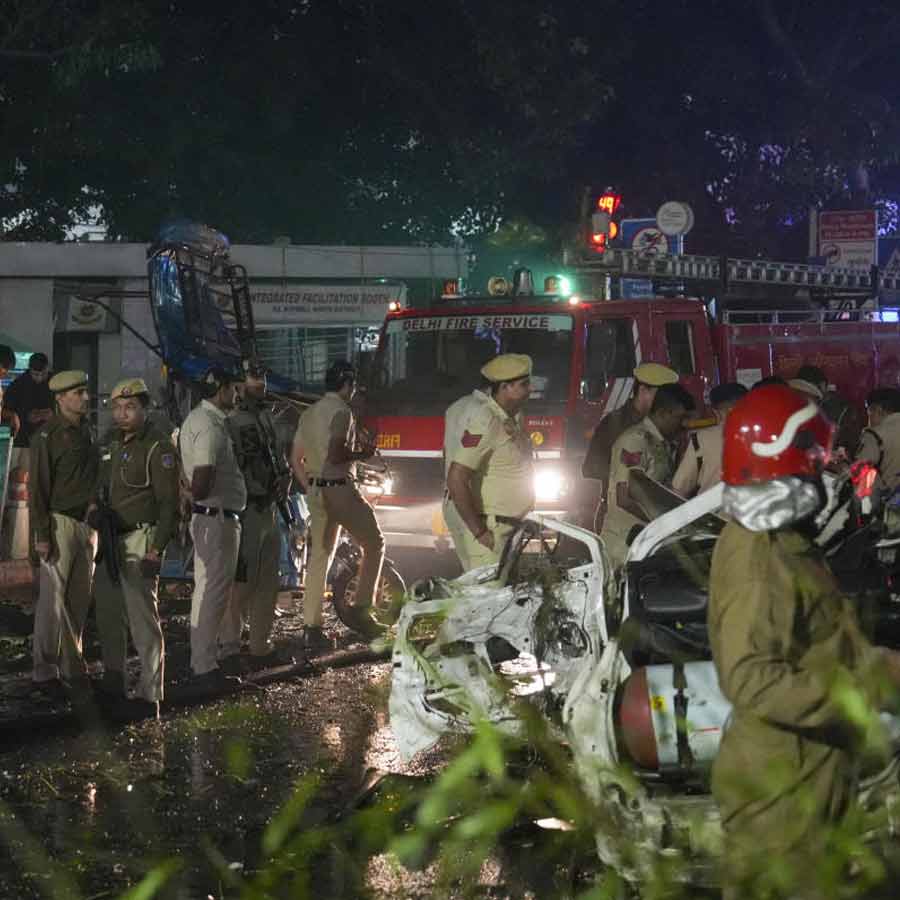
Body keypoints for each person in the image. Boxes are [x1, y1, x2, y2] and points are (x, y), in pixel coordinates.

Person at [708, 383, 900, 898]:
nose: (827, 465)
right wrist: (862, 689)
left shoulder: (783, 539)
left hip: (807, 779)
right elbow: (751, 677)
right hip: (784, 803)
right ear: (781, 462)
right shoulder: (758, 555)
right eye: (815, 456)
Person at [91, 378, 179, 715]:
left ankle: (150, 694)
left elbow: (169, 504)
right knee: (109, 615)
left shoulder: (158, 447)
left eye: (130, 407)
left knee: (143, 620)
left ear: (145, 409)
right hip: (110, 541)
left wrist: (157, 550)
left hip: (140, 540)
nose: (122, 413)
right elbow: (99, 486)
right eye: (117, 407)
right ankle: (115, 683)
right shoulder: (110, 442)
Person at [292, 360, 384, 650]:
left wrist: (310, 486)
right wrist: (362, 453)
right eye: (352, 384)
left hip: (317, 492)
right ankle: (361, 610)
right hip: (340, 489)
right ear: (347, 384)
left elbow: (296, 458)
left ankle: (311, 627)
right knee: (374, 542)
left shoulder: (308, 414)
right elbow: (335, 453)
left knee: (320, 558)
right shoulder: (342, 412)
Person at [29, 370, 99, 696]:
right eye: (77, 393)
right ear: (60, 399)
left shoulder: (87, 432)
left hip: (86, 526)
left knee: (78, 601)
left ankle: (73, 668)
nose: (84, 398)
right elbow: (38, 490)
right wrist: (41, 534)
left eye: (84, 392)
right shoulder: (47, 436)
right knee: (51, 605)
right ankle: (44, 673)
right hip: (59, 524)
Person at [221, 364, 293, 670]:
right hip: (246, 509)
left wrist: (286, 478)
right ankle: (230, 647)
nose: (259, 387)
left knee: (268, 582)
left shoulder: (267, 419)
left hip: (270, 507)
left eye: (262, 382)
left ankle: (260, 646)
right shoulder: (230, 423)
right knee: (242, 583)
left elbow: (280, 457)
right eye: (253, 383)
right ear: (239, 387)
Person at [179, 367, 247, 686]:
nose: (237, 394)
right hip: (215, 517)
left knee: (206, 591)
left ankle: (201, 661)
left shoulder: (202, 419)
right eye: (233, 388)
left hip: (211, 516)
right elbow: (202, 479)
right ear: (220, 389)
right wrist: (193, 496)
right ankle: (205, 666)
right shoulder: (209, 425)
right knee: (213, 593)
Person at [444, 353, 534, 572]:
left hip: (503, 527)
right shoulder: (487, 419)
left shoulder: (507, 416)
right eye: (524, 385)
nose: (530, 389)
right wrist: (481, 533)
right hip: (491, 528)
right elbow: (456, 477)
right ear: (504, 387)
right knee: (487, 602)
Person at [600, 382, 694, 571]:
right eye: (680, 418)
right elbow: (624, 497)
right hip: (624, 546)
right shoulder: (636, 440)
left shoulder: (662, 443)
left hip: (646, 542)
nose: (684, 425)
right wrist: (666, 523)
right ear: (663, 413)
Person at [581, 362, 678, 530]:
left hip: (649, 517)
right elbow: (591, 468)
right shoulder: (617, 424)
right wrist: (629, 474)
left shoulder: (659, 424)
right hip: (624, 519)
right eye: (660, 396)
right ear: (642, 391)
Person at [672, 382, 747, 498]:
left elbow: (679, 490)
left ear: (715, 412)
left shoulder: (701, 438)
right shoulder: (769, 436)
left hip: (714, 515)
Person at [2, 353, 52, 450]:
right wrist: (22, 416)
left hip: (51, 440)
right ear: (29, 369)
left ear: (47, 368)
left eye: (43, 374)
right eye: (36, 374)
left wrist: (52, 413)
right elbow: (4, 411)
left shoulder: (55, 382)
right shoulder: (18, 385)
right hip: (23, 441)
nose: (40, 378)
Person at [855, 386, 900, 493]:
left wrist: (843, 466)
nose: (868, 418)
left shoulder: (875, 435)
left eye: (868, 412)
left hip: (885, 504)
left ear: (878, 410)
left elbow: (861, 480)